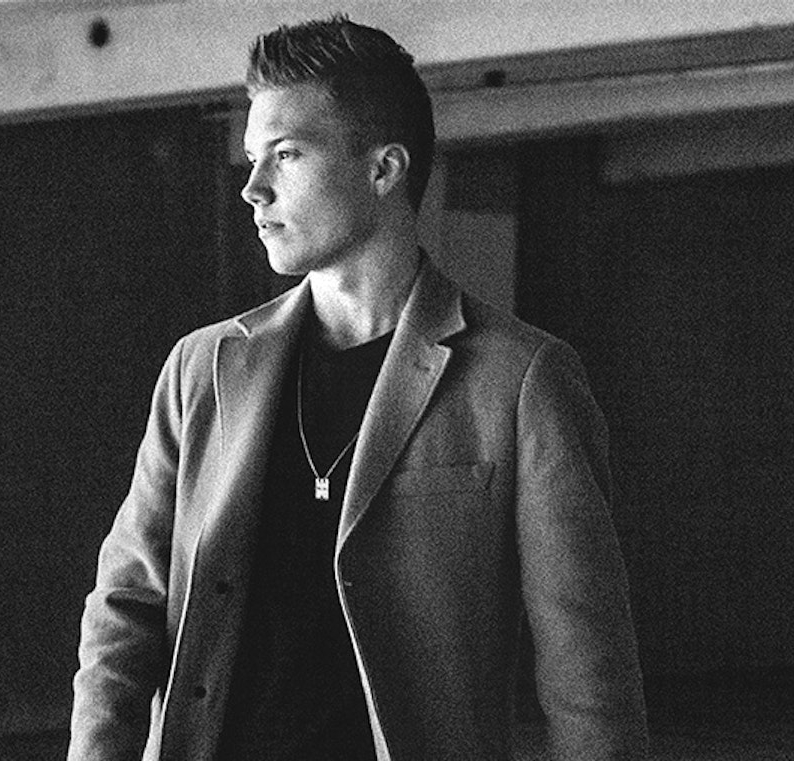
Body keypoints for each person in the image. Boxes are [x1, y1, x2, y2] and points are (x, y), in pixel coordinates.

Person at [70, 16, 650, 761]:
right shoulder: (203, 368)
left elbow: (587, 672)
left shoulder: (521, 380)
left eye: (286, 155)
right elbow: (125, 608)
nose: (252, 188)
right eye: (252, 158)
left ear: (384, 169)